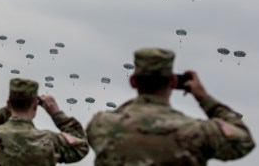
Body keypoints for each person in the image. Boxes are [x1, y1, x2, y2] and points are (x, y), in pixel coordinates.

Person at [86, 47, 255, 166]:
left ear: (132, 81)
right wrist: (204, 98)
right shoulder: (197, 131)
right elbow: (244, 142)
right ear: (173, 82)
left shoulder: (102, 125)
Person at [0, 78, 89, 166]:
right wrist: (56, 114)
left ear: (9, 104)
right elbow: (81, 146)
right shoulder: (49, 141)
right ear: (35, 106)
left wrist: (6, 111)